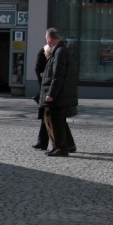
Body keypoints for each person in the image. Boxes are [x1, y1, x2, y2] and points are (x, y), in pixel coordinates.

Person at [38, 27, 78, 157]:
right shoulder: (59, 51)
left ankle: (61, 148)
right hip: (60, 95)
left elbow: (57, 76)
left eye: (46, 38)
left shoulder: (59, 52)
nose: (46, 41)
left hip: (58, 96)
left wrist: (51, 94)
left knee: (57, 122)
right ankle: (57, 146)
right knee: (55, 121)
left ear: (49, 38)